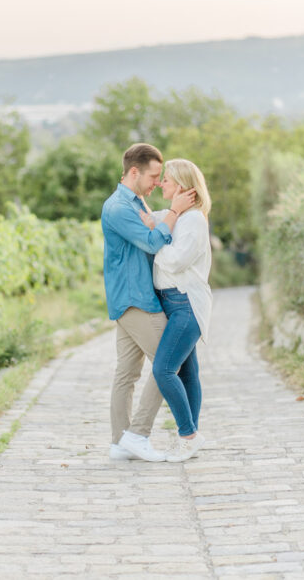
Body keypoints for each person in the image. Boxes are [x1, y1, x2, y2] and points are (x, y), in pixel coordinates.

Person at [101, 143, 196, 462]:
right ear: (134, 172)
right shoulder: (118, 207)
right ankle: (137, 434)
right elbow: (153, 242)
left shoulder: (136, 201)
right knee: (168, 365)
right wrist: (175, 211)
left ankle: (119, 443)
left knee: (126, 373)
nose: (158, 182)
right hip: (136, 298)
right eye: (154, 176)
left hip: (129, 297)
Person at [140, 159, 212, 463]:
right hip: (172, 303)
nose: (161, 184)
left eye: (166, 180)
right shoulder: (177, 215)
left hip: (185, 304)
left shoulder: (193, 220)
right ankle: (190, 437)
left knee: (164, 369)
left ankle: (188, 436)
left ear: (182, 186)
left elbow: (175, 261)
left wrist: (157, 240)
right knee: (187, 372)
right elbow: (149, 218)